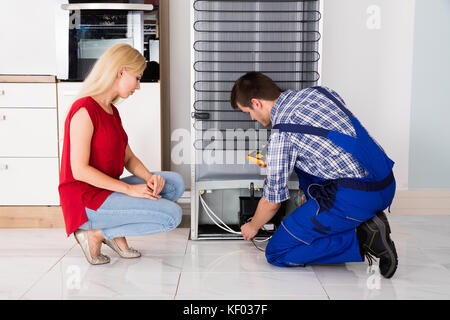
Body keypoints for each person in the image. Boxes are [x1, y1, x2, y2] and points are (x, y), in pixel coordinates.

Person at [231, 71, 398, 278]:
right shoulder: (321, 92)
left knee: (277, 252)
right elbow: (329, 142)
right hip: (385, 180)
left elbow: (272, 202)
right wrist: (279, 159)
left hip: (356, 198)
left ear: (256, 103)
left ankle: (362, 235)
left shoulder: (281, 134)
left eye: (248, 112)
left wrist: (253, 225)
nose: (253, 118)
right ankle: (358, 221)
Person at [59, 43, 185, 265]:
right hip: (86, 199)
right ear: (120, 72)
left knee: (173, 184)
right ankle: (96, 233)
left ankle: (114, 232)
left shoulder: (111, 111)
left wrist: (148, 178)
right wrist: (129, 189)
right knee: (172, 216)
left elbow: (128, 158)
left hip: (105, 189)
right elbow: (79, 170)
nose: (138, 86)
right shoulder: (84, 110)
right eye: (137, 78)